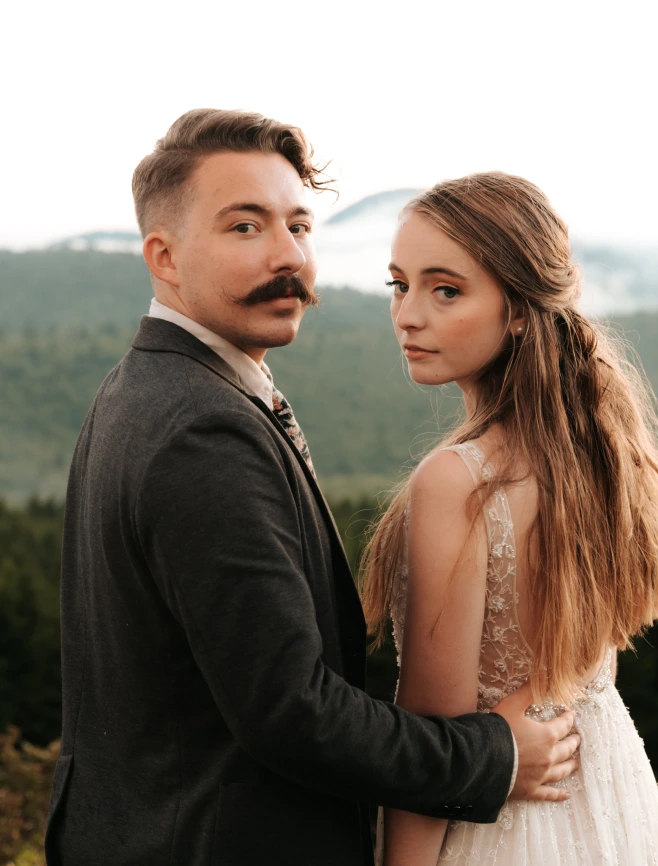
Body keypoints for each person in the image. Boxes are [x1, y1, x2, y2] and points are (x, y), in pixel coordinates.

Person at [45, 112, 580, 866]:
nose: (288, 256)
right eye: (245, 227)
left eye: (299, 226)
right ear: (163, 257)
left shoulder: (142, 388)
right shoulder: (201, 428)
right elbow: (291, 712)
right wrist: (491, 757)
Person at [362, 172, 658, 866]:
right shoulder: (603, 453)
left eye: (445, 290)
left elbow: (432, 741)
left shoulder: (460, 482)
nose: (408, 314)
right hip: (612, 808)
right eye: (399, 284)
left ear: (517, 310)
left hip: (505, 823)